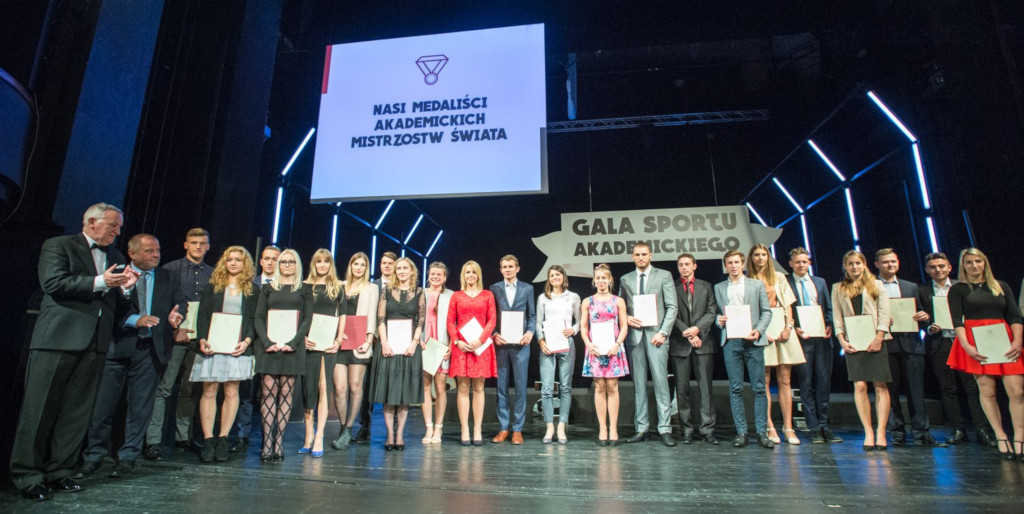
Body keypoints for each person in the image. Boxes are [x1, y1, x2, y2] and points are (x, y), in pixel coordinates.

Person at [10, 202, 137, 501]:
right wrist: (100, 281)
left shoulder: (116, 257)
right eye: (113, 225)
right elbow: (52, 282)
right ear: (92, 222)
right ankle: (28, 475)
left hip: (95, 343)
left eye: (119, 227)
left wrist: (126, 289)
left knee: (76, 413)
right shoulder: (59, 245)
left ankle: (60, 471)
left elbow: (119, 304)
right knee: (39, 410)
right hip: (58, 339)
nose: (118, 232)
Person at [78, 234, 185, 478]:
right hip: (117, 347)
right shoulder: (118, 274)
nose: (156, 255)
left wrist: (177, 317)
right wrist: (136, 320)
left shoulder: (168, 277)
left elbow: (180, 304)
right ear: (132, 253)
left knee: (140, 408)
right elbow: (109, 309)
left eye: (158, 250)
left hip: (150, 350)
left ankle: (128, 457)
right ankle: (94, 456)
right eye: (149, 251)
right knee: (102, 407)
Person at [946, 248, 1024, 459]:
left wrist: (1017, 341)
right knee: (987, 391)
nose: (974, 265)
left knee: (1017, 391)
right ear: (963, 265)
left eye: (978, 261)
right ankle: (1001, 436)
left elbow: (1014, 316)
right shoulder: (959, 289)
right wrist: (966, 346)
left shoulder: (1001, 286)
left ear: (984, 263)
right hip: (976, 342)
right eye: (969, 262)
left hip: (1005, 340)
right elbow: (957, 320)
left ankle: (1020, 437)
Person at [146, 228, 213, 460]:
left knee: (190, 389)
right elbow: (162, 303)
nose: (198, 247)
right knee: (164, 387)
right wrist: (175, 329)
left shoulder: (213, 273)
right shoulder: (170, 269)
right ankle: (153, 441)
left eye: (202, 243)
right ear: (185, 245)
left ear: (208, 246)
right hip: (173, 336)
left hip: (201, 338)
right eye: (193, 242)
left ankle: (183, 437)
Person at [189, 246, 258, 462]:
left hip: (237, 347)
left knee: (231, 391)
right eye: (230, 259)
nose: (233, 263)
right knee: (209, 390)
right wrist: (202, 338)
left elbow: (254, 319)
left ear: (245, 264)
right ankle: (208, 439)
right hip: (213, 345)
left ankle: (223, 438)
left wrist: (247, 341)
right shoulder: (214, 286)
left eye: (238, 259)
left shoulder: (253, 290)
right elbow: (203, 315)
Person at [919, 252, 994, 446]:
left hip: (966, 343)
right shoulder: (922, 291)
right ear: (927, 270)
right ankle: (958, 429)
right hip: (940, 343)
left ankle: (982, 430)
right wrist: (928, 326)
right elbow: (919, 317)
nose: (938, 270)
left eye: (942, 266)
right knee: (947, 388)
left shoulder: (963, 287)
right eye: (933, 267)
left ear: (950, 267)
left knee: (973, 387)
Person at [874, 248, 946, 447]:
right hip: (885, 344)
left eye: (893, 261)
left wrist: (925, 317)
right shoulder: (871, 286)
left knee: (916, 390)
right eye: (886, 262)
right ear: (877, 265)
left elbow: (922, 312)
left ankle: (922, 432)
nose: (890, 265)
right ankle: (897, 431)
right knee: (890, 391)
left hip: (912, 343)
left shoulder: (911, 286)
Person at [253, 249, 313, 462]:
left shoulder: (305, 290)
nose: (286, 265)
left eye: (291, 262)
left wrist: (293, 343)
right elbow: (258, 317)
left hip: (292, 349)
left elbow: (307, 319)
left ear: (297, 265)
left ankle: (278, 442)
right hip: (269, 348)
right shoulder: (268, 289)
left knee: (286, 394)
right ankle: (266, 443)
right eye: (283, 262)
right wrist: (267, 342)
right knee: (268, 393)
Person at [619, 242, 678, 447]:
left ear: (651, 255)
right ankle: (642, 427)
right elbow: (621, 307)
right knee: (639, 384)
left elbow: (672, 307)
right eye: (637, 254)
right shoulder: (625, 279)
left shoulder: (664, 276)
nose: (641, 257)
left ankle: (665, 428)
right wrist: (627, 318)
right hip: (635, 337)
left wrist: (663, 332)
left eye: (644, 254)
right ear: (632, 256)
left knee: (661, 383)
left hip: (656, 336)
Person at [832, 250, 892, 451]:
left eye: (858, 263)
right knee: (859, 386)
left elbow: (884, 313)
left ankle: (881, 431)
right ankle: (868, 431)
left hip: (875, 340)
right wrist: (841, 339)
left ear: (864, 264)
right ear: (845, 266)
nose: (854, 267)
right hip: (854, 342)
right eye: (850, 263)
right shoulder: (838, 288)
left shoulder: (877, 285)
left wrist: (879, 337)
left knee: (880, 385)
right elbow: (837, 316)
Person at [714, 250, 774, 449]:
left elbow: (766, 312)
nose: (733, 266)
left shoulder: (756, 285)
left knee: (759, 388)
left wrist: (759, 330)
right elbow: (716, 313)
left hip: (752, 341)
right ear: (725, 266)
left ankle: (762, 432)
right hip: (731, 341)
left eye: (736, 262)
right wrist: (719, 320)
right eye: (730, 263)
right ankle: (741, 432)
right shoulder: (719, 287)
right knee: (736, 388)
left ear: (742, 264)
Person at [748, 244, 805, 445]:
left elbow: (788, 305)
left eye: (764, 254)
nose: (760, 258)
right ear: (751, 258)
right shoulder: (749, 280)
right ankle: (769, 425)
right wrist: (762, 330)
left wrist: (788, 327)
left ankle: (788, 427)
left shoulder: (779, 277)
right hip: (761, 328)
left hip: (782, 327)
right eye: (757, 255)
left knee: (785, 380)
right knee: (763, 381)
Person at [369, 257, 425, 451]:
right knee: (389, 394)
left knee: (403, 394)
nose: (401, 271)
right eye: (399, 268)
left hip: (409, 347)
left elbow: (420, 321)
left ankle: (399, 434)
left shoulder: (419, 292)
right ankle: (390, 435)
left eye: (405, 268)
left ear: (412, 271)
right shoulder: (386, 291)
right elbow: (380, 319)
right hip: (389, 347)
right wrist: (384, 342)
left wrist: (414, 342)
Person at [787, 248, 842, 444]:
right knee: (806, 383)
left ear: (809, 263)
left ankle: (825, 426)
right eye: (797, 262)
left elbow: (828, 307)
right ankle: (814, 428)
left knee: (824, 383)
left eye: (805, 261)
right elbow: (786, 311)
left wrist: (829, 325)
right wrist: (795, 327)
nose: (801, 265)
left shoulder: (819, 282)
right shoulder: (786, 283)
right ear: (791, 264)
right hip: (801, 339)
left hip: (822, 339)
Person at [331, 252, 379, 449]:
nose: (358, 268)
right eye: (355, 264)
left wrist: (369, 340)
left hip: (359, 343)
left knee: (355, 386)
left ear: (366, 268)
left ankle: (349, 428)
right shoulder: (339, 286)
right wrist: (336, 332)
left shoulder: (371, 288)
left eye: (362, 265)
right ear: (350, 266)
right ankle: (343, 427)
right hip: (339, 342)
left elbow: (372, 315)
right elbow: (333, 312)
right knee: (340, 388)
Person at [446, 261, 497, 446]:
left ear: (478, 275)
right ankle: (464, 429)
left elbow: (492, 320)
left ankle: (477, 429)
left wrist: (481, 340)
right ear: (463, 275)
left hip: (480, 347)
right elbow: (450, 321)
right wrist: (457, 341)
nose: (470, 275)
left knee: (479, 387)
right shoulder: (456, 296)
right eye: (467, 272)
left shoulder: (487, 295)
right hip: (462, 347)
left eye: (473, 272)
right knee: (463, 387)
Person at [670, 253, 719, 445]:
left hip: (703, 343)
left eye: (687, 264)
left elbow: (711, 312)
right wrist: (689, 333)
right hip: (680, 344)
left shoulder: (706, 286)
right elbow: (670, 313)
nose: (684, 267)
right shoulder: (672, 286)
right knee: (682, 390)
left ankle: (707, 430)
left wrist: (697, 329)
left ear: (694, 266)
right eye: (681, 265)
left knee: (706, 389)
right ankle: (687, 430)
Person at [489, 255, 536, 445]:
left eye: (510, 266)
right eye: (504, 267)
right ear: (500, 270)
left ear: (518, 268)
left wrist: (530, 332)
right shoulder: (494, 288)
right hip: (501, 344)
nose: (507, 269)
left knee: (520, 387)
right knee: (501, 387)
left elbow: (532, 315)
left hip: (521, 344)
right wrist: (494, 333)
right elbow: (491, 316)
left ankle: (517, 429)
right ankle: (503, 428)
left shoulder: (527, 288)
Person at [300, 249, 343, 457]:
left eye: (326, 261)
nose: (323, 265)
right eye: (319, 261)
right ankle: (308, 435)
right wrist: (302, 337)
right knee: (309, 388)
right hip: (309, 342)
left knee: (324, 386)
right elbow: (300, 315)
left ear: (330, 264)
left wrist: (338, 339)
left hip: (328, 344)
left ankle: (319, 436)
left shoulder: (337, 287)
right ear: (314, 264)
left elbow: (343, 315)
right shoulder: (305, 286)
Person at [580, 264, 629, 446]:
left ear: (609, 280)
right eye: (598, 278)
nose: (601, 281)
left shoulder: (618, 301)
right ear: (594, 280)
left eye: (604, 278)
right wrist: (588, 344)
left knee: (613, 386)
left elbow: (624, 326)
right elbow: (583, 327)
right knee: (599, 387)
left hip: (613, 348)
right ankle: (603, 428)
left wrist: (617, 344)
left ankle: (613, 429)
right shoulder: (588, 302)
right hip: (595, 349)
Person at [354, 251, 397, 443]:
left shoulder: (401, 286)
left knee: (393, 384)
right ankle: (365, 426)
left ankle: (393, 427)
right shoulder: (371, 286)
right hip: (371, 341)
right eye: (383, 263)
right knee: (367, 385)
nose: (386, 266)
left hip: (393, 342)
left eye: (390, 263)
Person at [535, 265, 581, 444]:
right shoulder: (543, 298)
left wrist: (574, 330)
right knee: (547, 388)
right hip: (548, 344)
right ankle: (549, 426)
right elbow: (538, 322)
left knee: (565, 387)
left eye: (558, 274)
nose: (555, 277)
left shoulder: (573, 297)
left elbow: (580, 320)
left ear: (563, 277)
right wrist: (541, 341)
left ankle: (561, 426)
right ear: (548, 278)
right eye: (552, 275)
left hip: (566, 344)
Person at [421, 262, 454, 444]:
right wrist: (417, 340)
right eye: (432, 274)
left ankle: (438, 427)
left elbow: (454, 322)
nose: (435, 277)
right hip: (425, 344)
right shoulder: (421, 293)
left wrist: (451, 345)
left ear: (444, 277)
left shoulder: (451, 295)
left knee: (440, 387)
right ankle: (428, 427)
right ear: (428, 275)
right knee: (425, 387)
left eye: (438, 274)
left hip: (442, 344)